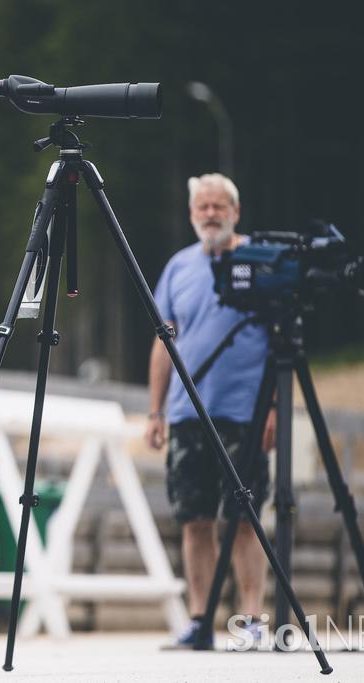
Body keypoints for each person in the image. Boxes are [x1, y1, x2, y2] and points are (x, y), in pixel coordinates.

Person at [144, 173, 276, 649]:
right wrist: (155, 410)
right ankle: (200, 622)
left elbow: (279, 342)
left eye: (219, 206)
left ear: (236, 212)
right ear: (191, 214)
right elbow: (164, 343)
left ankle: (252, 622)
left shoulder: (259, 263)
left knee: (244, 518)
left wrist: (274, 408)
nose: (210, 213)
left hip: (245, 411)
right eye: (202, 206)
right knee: (194, 519)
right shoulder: (179, 267)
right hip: (185, 413)